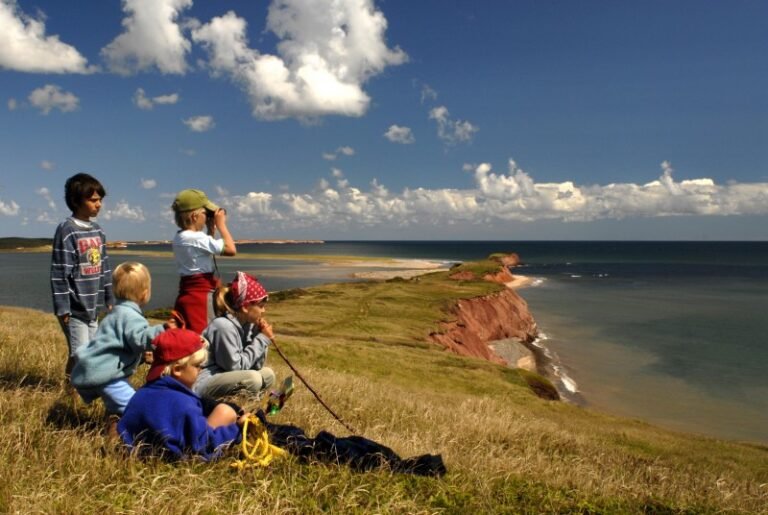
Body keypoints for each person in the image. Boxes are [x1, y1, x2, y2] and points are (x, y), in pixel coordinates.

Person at [118, 328, 248, 461]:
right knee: (226, 411)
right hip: (174, 459)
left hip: (138, 453)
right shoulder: (184, 404)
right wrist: (236, 428)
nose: (201, 369)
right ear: (178, 369)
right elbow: (204, 446)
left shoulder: (141, 393)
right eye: (197, 365)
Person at [70, 262, 168, 433]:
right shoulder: (131, 316)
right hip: (108, 377)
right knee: (135, 407)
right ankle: (131, 442)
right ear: (145, 294)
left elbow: (119, 345)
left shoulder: (115, 313)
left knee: (116, 408)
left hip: (98, 372)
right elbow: (141, 340)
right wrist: (164, 330)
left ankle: (113, 437)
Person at [50, 173, 113, 382]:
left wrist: (109, 298)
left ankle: (69, 390)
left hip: (92, 307)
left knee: (86, 353)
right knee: (81, 354)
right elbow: (60, 272)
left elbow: (104, 267)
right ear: (77, 201)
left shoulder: (98, 231)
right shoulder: (67, 230)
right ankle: (74, 396)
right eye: (93, 200)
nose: (99, 204)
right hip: (75, 308)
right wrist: (63, 307)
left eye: (100, 200)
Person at [195, 272, 276, 402]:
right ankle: (236, 409)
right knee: (253, 379)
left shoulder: (247, 325)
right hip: (205, 381)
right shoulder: (223, 326)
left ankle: (247, 407)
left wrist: (258, 334)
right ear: (245, 307)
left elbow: (257, 365)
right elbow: (235, 367)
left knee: (268, 375)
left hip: (223, 376)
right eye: (260, 306)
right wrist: (262, 339)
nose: (263, 311)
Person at [171, 189, 236, 334]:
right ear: (194, 216)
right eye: (205, 214)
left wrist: (210, 232)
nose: (207, 217)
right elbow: (231, 249)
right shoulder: (196, 238)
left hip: (187, 295)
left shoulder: (180, 237)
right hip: (200, 297)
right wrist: (221, 225)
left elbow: (200, 253)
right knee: (205, 339)